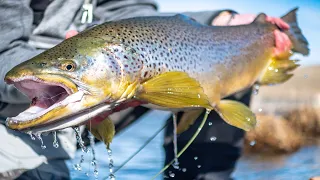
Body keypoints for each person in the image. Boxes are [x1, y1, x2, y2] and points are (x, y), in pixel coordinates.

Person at [0, 0, 291, 179]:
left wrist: (219, 18)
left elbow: (137, 15)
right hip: (17, 104)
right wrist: (51, 82)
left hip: (100, 94)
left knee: (218, 64)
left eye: (69, 68)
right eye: (69, 68)